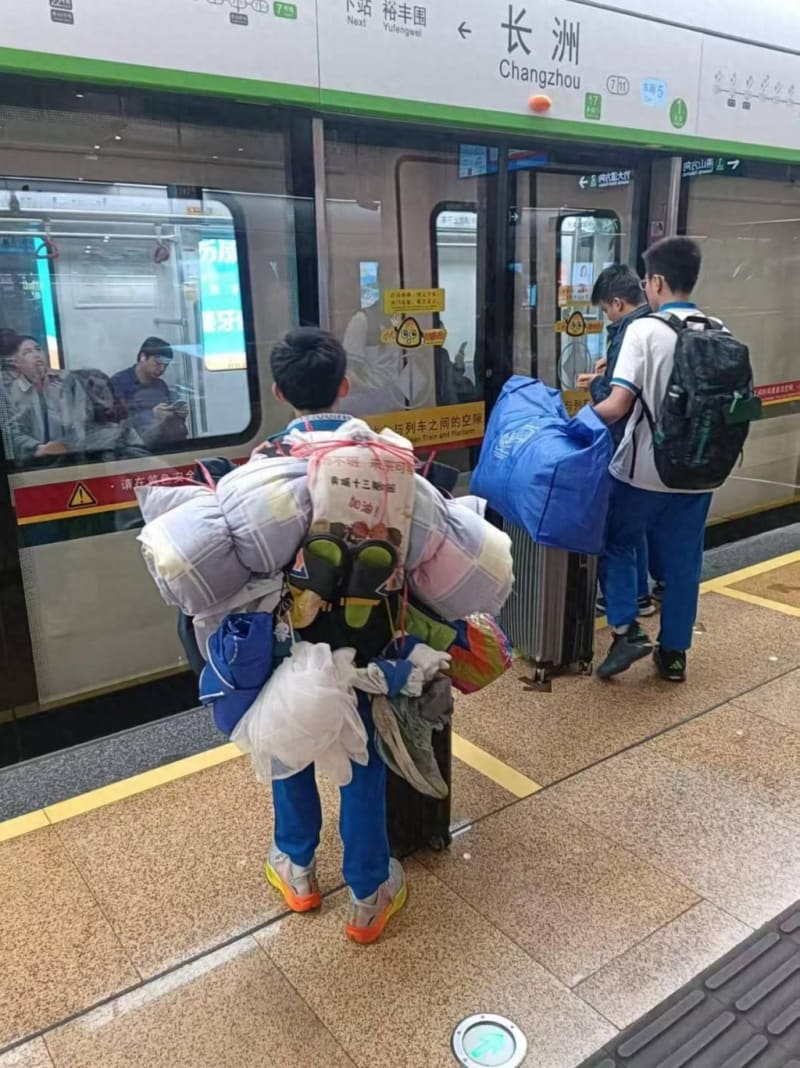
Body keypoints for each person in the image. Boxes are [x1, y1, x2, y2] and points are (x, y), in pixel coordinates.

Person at [264, 327, 505, 943]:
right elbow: (429, 550)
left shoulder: (262, 469)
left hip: (288, 640)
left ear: (277, 391)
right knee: (362, 760)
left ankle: (297, 871)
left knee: (288, 743)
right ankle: (370, 895)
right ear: (345, 387)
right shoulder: (389, 465)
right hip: (371, 641)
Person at [592, 237, 713, 684]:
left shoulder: (645, 330)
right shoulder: (717, 328)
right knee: (684, 564)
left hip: (645, 471)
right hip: (701, 474)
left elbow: (618, 404)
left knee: (616, 540)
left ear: (657, 282)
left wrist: (581, 417)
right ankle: (675, 654)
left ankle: (627, 630)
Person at [578, 265, 655, 619]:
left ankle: (624, 609)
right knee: (633, 526)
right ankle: (640, 595)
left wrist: (593, 387)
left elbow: (615, 403)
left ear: (618, 302)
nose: (607, 316)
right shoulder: (655, 324)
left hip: (626, 443)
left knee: (616, 531)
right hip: (648, 448)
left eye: (606, 309)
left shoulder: (630, 332)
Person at [0, 330, 68, 464]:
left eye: (38, 349)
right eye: (27, 352)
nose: (36, 355)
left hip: (69, 460)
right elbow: (9, 432)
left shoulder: (64, 383)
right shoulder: (6, 392)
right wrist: (38, 448)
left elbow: (78, 424)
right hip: (23, 466)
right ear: (15, 362)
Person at [110, 337, 187, 448]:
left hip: (163, 444)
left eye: (166, 365)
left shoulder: (161, 386)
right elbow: (118, 424)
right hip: (133, 449)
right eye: (158, 363)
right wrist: (152, 415)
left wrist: (178, 415)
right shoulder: (118, 383)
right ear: (143, 357)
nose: (161, 369)